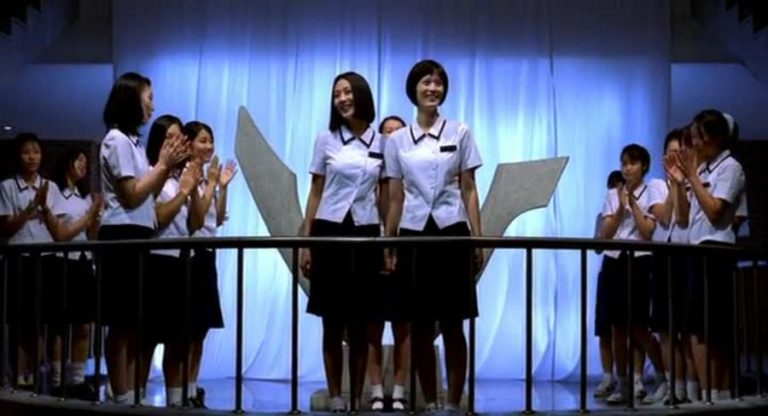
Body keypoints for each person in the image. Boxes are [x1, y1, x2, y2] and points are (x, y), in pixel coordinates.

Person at [383, 59, 483, 411]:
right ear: (413, 89)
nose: (432, 88)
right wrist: (389, 243)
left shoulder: (460, 131)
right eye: (426, 82)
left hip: (452, 231)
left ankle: (453, 403)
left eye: (438, 83)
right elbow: (395, 196)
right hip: (413, 235)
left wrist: (478, 237)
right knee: (420, 326)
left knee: (454, 324)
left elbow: (469, 188)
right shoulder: (397, 140)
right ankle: (429, 403)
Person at [99, 72, 188, 404]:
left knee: (133, 323)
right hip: (121, 234)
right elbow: (132, 194)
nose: (153, 104)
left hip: (139, 234)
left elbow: (146, 195)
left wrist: (166, 166)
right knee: (120, 321)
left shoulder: (132, 143)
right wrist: (163, 165)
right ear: (131, 99)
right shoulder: (116, 140)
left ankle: (129, 393)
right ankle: (121, 395)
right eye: (149, 97)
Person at [300, 71, 385, 412]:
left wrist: (387, 242)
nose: (343, 99)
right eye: (337, 94)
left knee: (361, 322)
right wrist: (306, 242)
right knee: (332, 320)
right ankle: (336, 395)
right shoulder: (326, 139)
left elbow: (386, 196)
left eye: (348, 92)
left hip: (366, 233)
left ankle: (355, 398)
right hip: (329, 231)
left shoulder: (382, 142)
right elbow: (315, 191)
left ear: (361, 94)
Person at [674, 109, 746, 402]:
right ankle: (708, 392)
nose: (693, 144)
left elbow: (716, 210)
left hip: (717, 250)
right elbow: (682, 218)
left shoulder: (731, 167)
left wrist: (692, 176)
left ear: (713, 138)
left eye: (697, 137)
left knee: (715, 328)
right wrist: (679, 182)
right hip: (697, 250)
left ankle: (720, 392)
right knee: (697, 327)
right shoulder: (702, 171)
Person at [599, 143, 667, 405]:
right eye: (624, 163)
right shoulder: (613, 194)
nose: (627, 168)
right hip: (615, 259)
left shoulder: (653, 190)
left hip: (640, 260)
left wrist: (634, 204)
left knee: (639, 325)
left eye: (633, 163)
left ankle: (662, 376)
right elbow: (606, 233)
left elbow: (647, 231)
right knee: (616, 326)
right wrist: (620, 206)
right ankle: (622, 383)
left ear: (644, 166)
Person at [0, 133, 66, 390]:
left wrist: (45, 208)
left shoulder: (50, 186)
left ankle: (36, 377)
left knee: (41, 322)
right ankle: (18, 377)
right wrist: (31, 207)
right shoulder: (7, 186)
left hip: (46, 260)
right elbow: (7, 227)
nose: (32, 157)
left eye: (36, 152)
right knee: (19, 322)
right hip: (19, 260)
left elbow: (58, 231)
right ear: (18, 156)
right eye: (26, 152)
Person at [184, 120, 236, 408]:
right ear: (189, 143)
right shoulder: (187, 176)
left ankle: (192, 387)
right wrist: (213, 183)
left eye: (210, 141)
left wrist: (222, 187)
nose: (209, 146)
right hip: (189, 255)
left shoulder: (207, 178)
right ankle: (181, 388)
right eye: (202, 140)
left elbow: (217, 217)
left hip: (207, 255)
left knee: (201, 327)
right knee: (188, 327)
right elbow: (197, 219)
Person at [49, 147, 103, 400]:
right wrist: (89, 215)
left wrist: (96, 219)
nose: (83, 165)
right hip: (63, 262)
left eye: (85, 161)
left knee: (83, 324)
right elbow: (61, 234)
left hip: (84, 261)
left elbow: (90, 236)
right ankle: (57, 380)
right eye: (78, 160)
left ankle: (77, 380)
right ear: (67, 162)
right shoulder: (56, 192)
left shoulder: (84, 197)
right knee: (60, 324)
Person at [368, 115, 409, 411]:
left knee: (403, 325)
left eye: (398, 131)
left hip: (407, 246)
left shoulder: (414, 169)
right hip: (372, 246)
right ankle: (375, 390)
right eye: (387, 132)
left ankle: (399, 390)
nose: (392, 136)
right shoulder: (368, 168)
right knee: (372, 324)